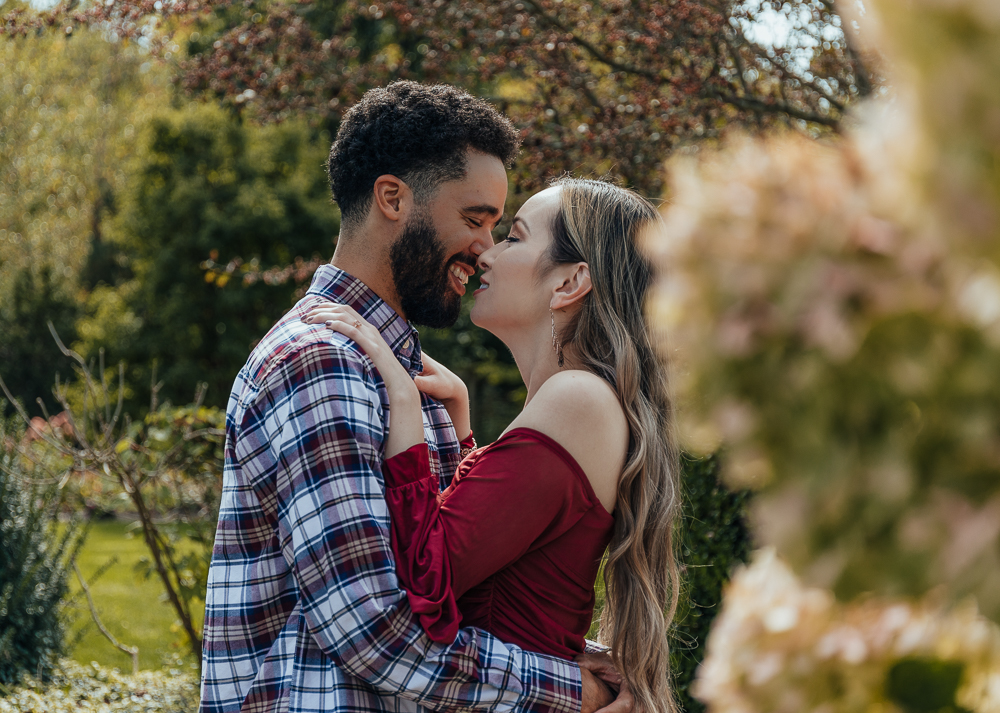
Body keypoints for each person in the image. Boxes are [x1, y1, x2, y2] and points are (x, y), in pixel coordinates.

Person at [199, 81, 628, 713]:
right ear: (393, 198)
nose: (486, 250)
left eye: (502, 229)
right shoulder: (323, 362)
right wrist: (574, 690)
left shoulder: (407, 380)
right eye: (475, 220)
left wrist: (575, 651)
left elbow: (452, 592)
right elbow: (376, 633)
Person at [305, 177, 682, 713]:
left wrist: (405, 411)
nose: (486, 252)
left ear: (571, 282)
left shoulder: (577, 399)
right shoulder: (573, 402)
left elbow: (427, 586)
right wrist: (464, 438)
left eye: (514, 237)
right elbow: (506, 560)